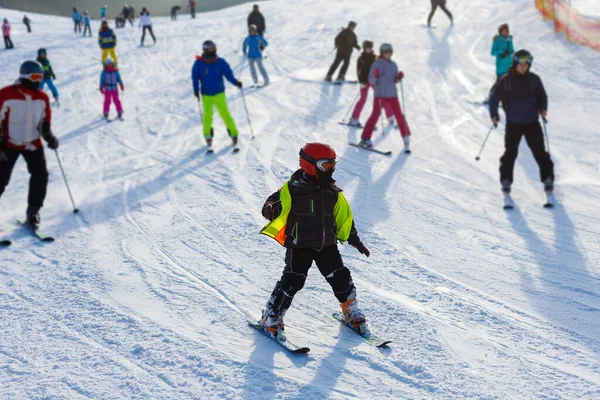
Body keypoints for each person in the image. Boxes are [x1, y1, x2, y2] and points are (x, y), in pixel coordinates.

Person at [258, 142, 371, 340]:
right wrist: (270, 207)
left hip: (327, 244)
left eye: (332, 165)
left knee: (340, 276)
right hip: (299, 245)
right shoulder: (292, 189)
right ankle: (272, 316)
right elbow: (273, 202)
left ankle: (350, 310)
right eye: (326, 165)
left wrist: (354, 238)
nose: (331, 169)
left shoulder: (333, 192)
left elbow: (343, 217)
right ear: (310, 165)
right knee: (293, 281)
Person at [0, 61, 59, 229]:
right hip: (8, 144)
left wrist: (49, 137)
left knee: (40, 175)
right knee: (1, 180)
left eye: (40, 77)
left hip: (32, 144)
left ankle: (33, 212)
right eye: (35, 77)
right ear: (25, 77)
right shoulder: (6, 94)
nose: (38, 81)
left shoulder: (42, 97)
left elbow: (44, 123)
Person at [489, 49, 554, 195]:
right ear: (515, 63)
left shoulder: (534, 79)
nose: (524, 66)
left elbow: (542, 95)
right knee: (510, 153)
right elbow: (494, 97)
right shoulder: (507, 80)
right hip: (514, 123)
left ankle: (547, 178)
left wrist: (543, 107)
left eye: (527, 63)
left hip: (532, 122)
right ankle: (506, 180)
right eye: (521, 63)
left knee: (540, 152)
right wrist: (494, 113)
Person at [191, 40, 242, 150]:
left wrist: (236, 82)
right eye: (209, 49)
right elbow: (195, 76)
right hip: (206, 94)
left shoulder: (220, 62)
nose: (212, 51)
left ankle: (234, 133)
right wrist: (195, 89)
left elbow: (228, 74)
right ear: (205, 50)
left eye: (213, 49)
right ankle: (208, 136)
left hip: (219, 93)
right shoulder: (199, 63)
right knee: (208, 116)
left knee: (225, 114)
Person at [359, 43, 411, 152]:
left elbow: (394, 80)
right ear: (382, 53)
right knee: (375, 115)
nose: (388, 54)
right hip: (380, 95)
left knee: (399, 115)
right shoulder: (376, 64)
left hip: (392, 95)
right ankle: (365, 138)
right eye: (385, 52)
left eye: (389, 52)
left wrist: (398, 77)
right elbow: (371, 80)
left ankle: (406, 136)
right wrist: (375, 75)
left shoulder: (393, 65)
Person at [349, 40, 393, 127]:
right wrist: (361, 82)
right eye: (367, 48)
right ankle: (354, 119)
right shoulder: (361, 59)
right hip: (365, 82)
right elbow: (359, 71)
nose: (369, 49)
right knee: (362, 100)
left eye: (370, 48)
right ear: (364, 48)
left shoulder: (375, 58)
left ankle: (390, 116)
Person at [485, 23, 514, 103]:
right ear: (500, 32)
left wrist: (509, 52)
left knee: (509, 83)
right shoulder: (497, 39)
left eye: (506, 31)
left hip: (509, 65)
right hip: (501, 66)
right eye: (503, 31)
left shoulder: (509, 39)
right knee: (499, 83)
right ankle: (491, 97)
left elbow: (512, 50)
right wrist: (501, 52)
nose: (505, 33)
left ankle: (507, 99)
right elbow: (492, 52)